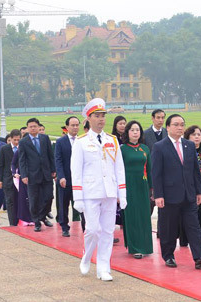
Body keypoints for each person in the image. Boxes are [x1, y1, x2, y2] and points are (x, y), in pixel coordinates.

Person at [71, 98, 127, 281]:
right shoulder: (80, 142)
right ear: (89, 118)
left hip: (109, 191)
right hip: (90, 192)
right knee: (93, 230)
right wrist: (77, 198)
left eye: (103, 116)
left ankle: (104, 268)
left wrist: (122, 193)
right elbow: (76, 171)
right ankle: (87, 256)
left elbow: (119, 168)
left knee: (108, 231)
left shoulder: (112, 140)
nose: (101, 119)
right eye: (97, 116)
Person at [152, 113, 201, 269]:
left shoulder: (189, 145)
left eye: (182, 124)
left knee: (194, 226)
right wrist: (158, 195)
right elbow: (156, 173)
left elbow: (195, 171)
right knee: (169, 228)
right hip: (169, 196)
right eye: (176, 125)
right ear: (168, 127)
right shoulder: (160, 147)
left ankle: (199, 257)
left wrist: (199, 191)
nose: (180, 127)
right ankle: (168, 256)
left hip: (189, 195)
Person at [120, 120, 153, 259]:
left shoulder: (145, 149)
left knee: (144, 216)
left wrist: (152, 189)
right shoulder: (122, 149)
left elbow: (150, 170)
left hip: (143, 186)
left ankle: (145, 246)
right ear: (127, 132)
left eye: (138, 130)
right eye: (132, 130)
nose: (135, 132)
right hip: (129, 186)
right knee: (132, 216)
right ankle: (134, 248)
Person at [18, 118, 56, 232]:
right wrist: (24, 175)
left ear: (38, 127)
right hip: (32, 175)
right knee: (33, 200)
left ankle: (42, 216)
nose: (33, 128)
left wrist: (53, 169)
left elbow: (50, 155)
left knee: (49, 197)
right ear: (27, 128)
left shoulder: (45, 138)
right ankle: (36, 222)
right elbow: (22, 160)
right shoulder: (23, 142)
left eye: (35, 126)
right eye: (31, 127)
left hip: (46, 173)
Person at [55, 116, 82, 237]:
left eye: (77, 125)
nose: (75, 127)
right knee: (64, 204)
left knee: (81, 204)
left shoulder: (82, 140)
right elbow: (58, 160)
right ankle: (64, 226)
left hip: (80, 179)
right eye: (73, 125)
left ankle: (85, 227)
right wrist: (61, 176)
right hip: (66, 178)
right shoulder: (61, 142)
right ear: (67, 127)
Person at [0, 129, 20, 226]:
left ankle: (20, 221)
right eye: (14, 140)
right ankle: (12, 223)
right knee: (10, 202)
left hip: (20, 180)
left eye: (18, 140)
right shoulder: (4, 149)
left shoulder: (22, 148)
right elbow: (0, 165)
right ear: (10, 139)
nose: (16, 142)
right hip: (8, 180)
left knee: (19, 201)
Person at [12, 146, 33, 226]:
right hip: (23, 178)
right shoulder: (19, 151)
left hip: (34, 177)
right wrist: (14, 173)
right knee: (24, 199)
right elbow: (13, 163)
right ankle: (25, 218)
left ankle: (34, 217)